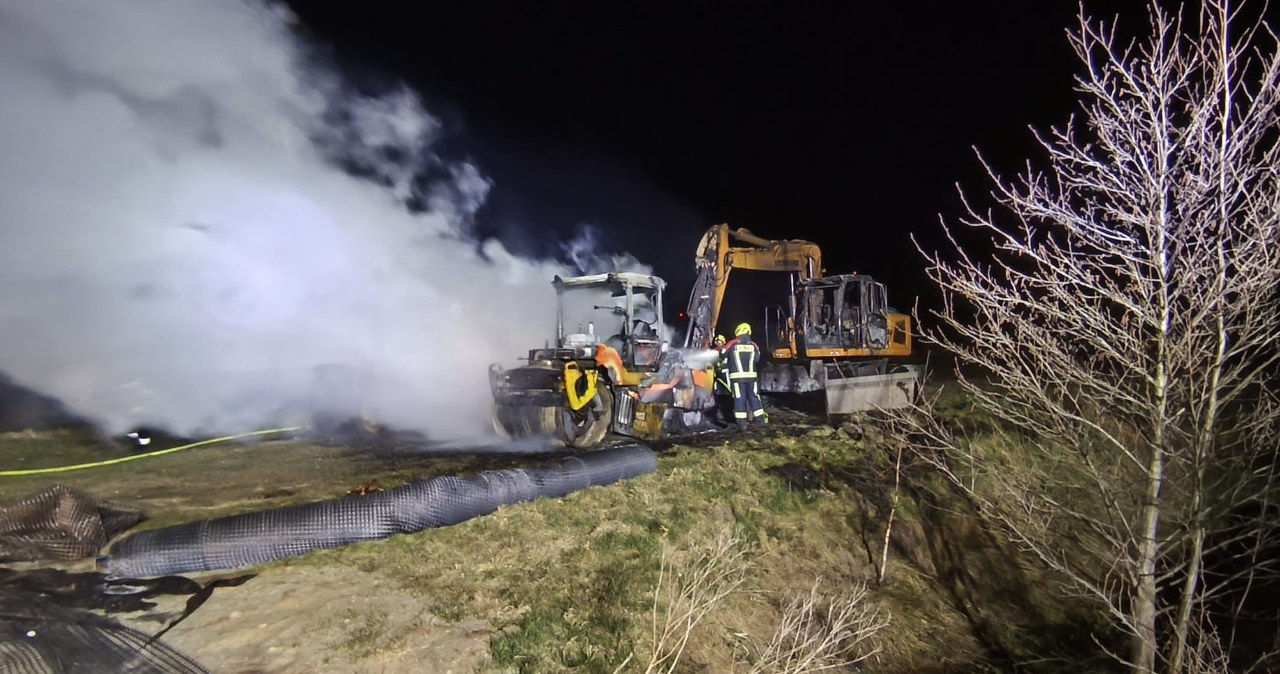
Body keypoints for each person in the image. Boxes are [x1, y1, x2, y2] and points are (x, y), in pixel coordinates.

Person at [727, 322, 766, 430]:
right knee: (754, 397)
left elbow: (723, 355)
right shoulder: (753, 345)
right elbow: (757, 359)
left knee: (740, 399)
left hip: (738, 378)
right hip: (752, 378)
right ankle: (760, 421)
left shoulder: (733, 344)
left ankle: (742, 424)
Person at [711, 334, 735, 426]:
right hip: (718, 378)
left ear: (723, 342)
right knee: (718, 397)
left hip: (726, 377)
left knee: (728, 397)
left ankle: (730, 417)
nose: (717, 343)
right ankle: (718, 416)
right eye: (716, 342)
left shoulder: (725, 350)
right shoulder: (714, 352)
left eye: (719, 341)